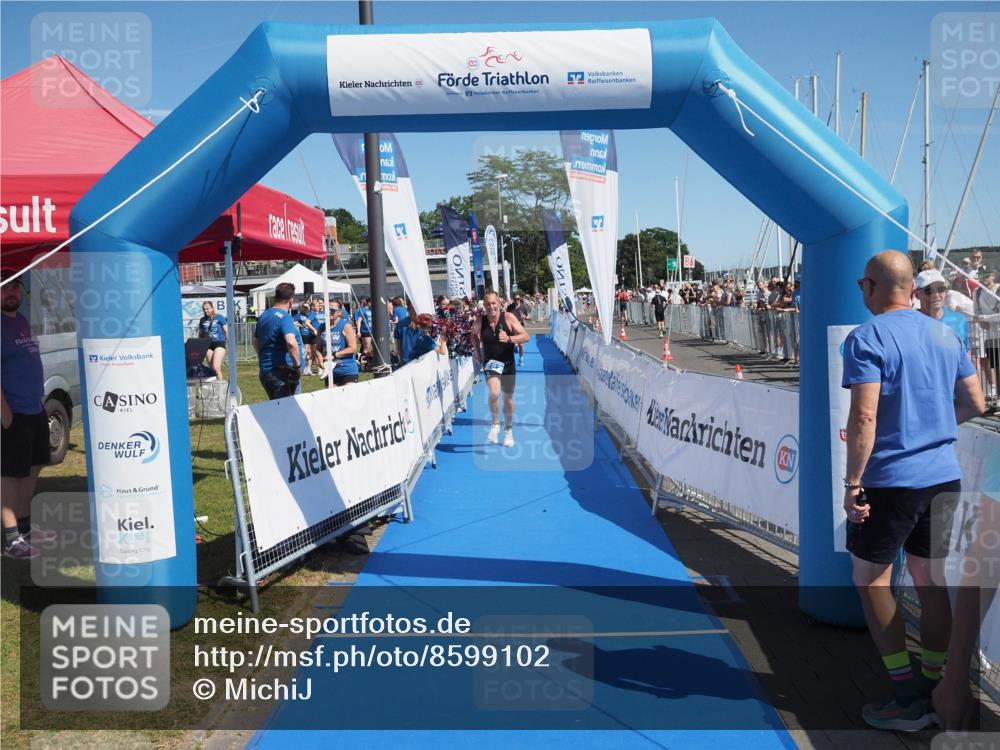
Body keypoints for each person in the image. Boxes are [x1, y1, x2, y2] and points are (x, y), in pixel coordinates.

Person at [842, 250, 985, 731]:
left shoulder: (867, 337)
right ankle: (930, 685)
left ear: (873, 288)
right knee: (930, 580)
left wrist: (852, 484)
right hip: (943, 474)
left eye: (864, 284)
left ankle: (906, 698)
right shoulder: (945, 333)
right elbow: (976, 402)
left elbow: (864, 417)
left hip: (891, 479)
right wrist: (936, 429)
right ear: (912, 288)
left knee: (870, 580)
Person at [1, 271, 56, 559]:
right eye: (4, 287)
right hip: (12, 414)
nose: (11, 292)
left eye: (15, 286)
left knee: (32, 468)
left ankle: (24, 528)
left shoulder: (20, 320)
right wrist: (5, 414)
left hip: (34, 409)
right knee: (9, 475)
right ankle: (11, 541)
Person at [470, 290, 529, 448]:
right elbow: (473, 335)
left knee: (508, 399)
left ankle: (508, 430)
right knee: (494, 392)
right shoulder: (479, 321)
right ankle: (495, 424)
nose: (491, 307)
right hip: (491, 362)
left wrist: (510, 339)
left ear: (499, 303)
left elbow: (525, 336)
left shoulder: (508, 318)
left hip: (508, 362)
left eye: (493, 303)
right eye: (488, 304)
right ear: (484, 305)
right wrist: (478, 353)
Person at [253, 282, 302, 400]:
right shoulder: (285, 317)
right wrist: (297, 366)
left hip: (266, 371)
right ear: (291, 300)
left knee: (277, 410)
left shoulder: (264, 316)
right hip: (283, 373)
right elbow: (291, 342)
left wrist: (263, 358)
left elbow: (255, 341)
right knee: (290, 412)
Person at [914, 269, 971, 359]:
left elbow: (966, 357)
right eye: (929, 291)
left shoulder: (959, 320)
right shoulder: (911, 323)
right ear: (917, 294)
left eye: (940, 289)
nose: (936, 295)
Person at [318, 301, 360, 386]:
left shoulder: (346, 326)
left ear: (340, 312)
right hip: (330, 372)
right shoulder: (322, 327)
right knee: (332, 398)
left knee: (349, 397)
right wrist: (319, 358)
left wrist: (334, 355)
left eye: (332, 310)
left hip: (347, 371)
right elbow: (318, 348)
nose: (329, 312)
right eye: (326, 310)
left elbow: (353, 348)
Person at [197, 301, 228, 379]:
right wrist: (199, 344)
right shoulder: (202, 320)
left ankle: (220, 388)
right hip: (207, 345)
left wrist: (228, 343)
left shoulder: (219, 317)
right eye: (204, 309)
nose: (205, 311)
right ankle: (214, 387)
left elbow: (226, 331)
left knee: (216, 368)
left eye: (207, 309)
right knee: (211, 369)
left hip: (219, 343)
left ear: (212, 308)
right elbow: (200, 334)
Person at [293, 302, 318, 376]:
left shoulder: (311, 314)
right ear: (302, 307)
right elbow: (291, 321)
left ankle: (308, 368)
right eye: (304, 307)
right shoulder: (299, 315)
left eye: (307, 307)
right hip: (304, 335)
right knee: (307, 352)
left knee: (314, 352)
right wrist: (298, 324)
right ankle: (304, 368)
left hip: (312, 335)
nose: (306, 309)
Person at [506, 294, 528, 365]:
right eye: (515, 299)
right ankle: (515, 347)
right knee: (513, 345)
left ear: (520, 299)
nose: (516, 300)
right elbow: (506, 316)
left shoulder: (523, 306)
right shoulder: (510, 307)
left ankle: (521, 359)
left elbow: (529, 316)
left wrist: (524, 317)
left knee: (521, 344)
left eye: (518, 299)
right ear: (513, 299)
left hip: (520, 328)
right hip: (512, 328)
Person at [353, 297, 374, 370]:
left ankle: (368, 364)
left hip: (373, 331)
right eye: (372, 302)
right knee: (366, 349)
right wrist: (358, 331)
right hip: (365, 331)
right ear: (368, 302)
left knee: (373, 349)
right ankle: (358, 363)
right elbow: (359, 321)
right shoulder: (363, 310)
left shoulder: (373, 310)